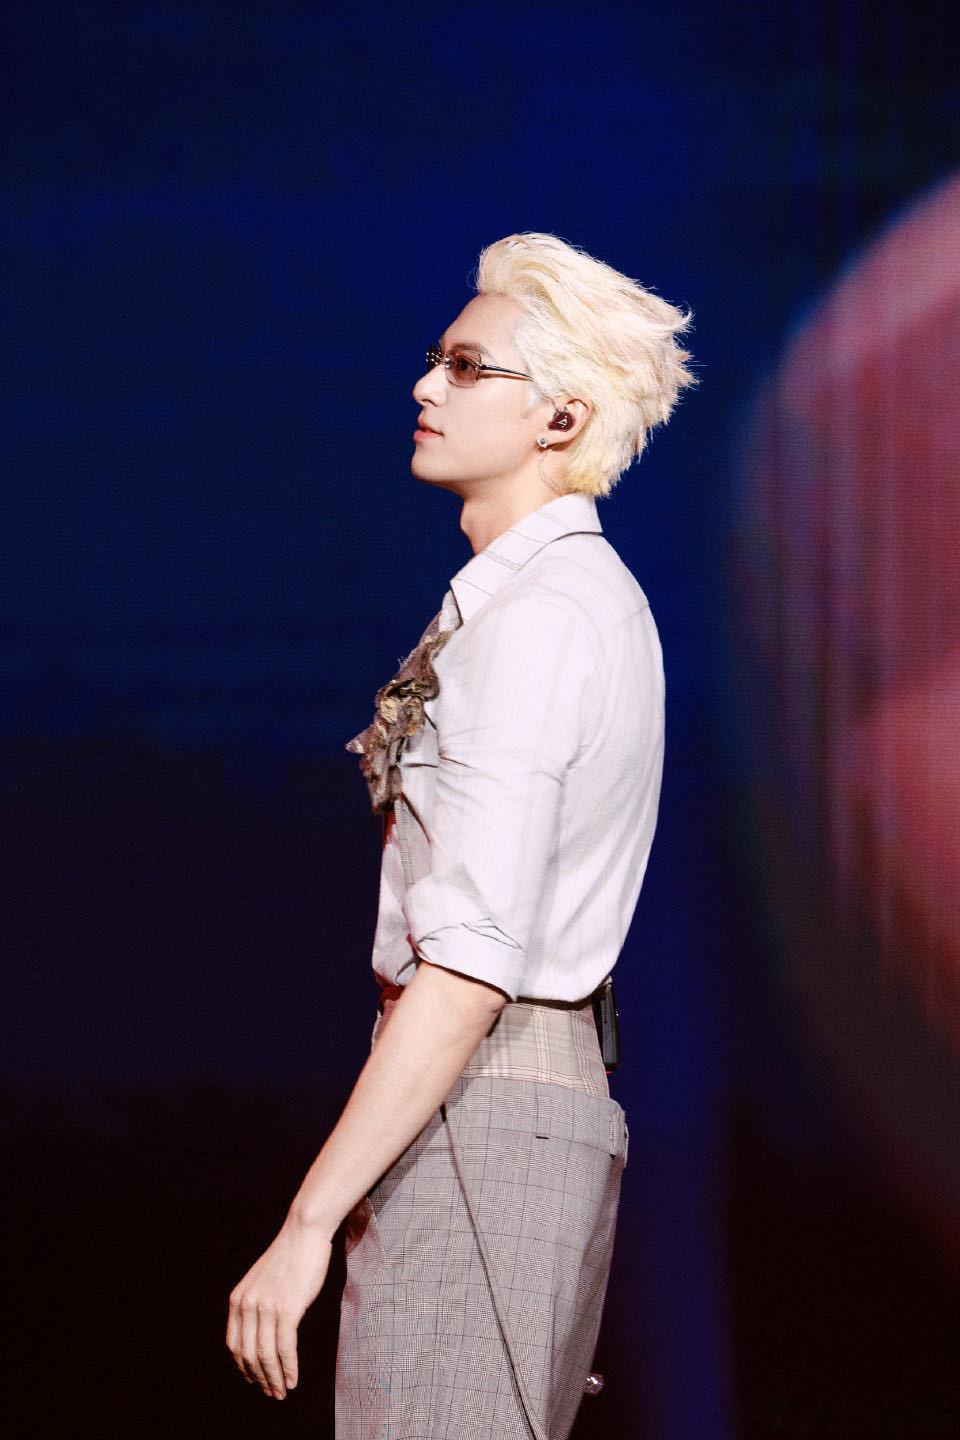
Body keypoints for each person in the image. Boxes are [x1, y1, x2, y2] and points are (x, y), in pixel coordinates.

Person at [226, 230, 697, 1438]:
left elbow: (473, 962)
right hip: (499, 1104)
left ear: (561, 417)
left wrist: (306, 1223)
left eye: (467, 366)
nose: (426, 385)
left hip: (485, 1098)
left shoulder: (539, 620)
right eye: (439, 358)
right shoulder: (554, 602)